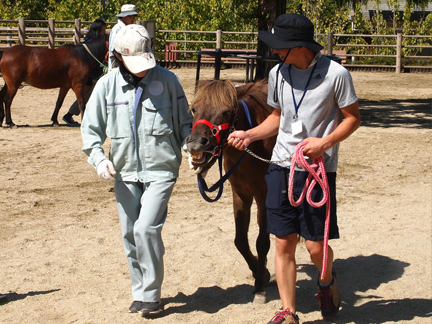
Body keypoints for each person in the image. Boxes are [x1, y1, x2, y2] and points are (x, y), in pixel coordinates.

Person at [228, 13, 361, 324]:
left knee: (316, 247)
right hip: (281, 166)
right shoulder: (278, 73)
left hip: (317, 172)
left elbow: (353, 119)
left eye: (279, 46)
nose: (275, 51)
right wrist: (250, 134)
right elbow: (277, 117)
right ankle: (288, 312)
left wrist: (325, 143)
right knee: (284, 242)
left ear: (298, 46)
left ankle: (326, 281)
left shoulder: (336, 75)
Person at [80, 24, 192, 317]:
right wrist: (98, 158)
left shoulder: (169, 81)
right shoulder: (106, 86)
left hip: (161, 170)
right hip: (125, 172)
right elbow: (90, 129)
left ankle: (152, 294)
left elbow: (185, 125)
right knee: (130, 234)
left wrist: (191, 149)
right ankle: (140, 291)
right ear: (118, 57)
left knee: (146, 229)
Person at [62, 19, 107, 126]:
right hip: (89, 73)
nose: (103, 33)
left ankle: (70, 115)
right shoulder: (90, 41)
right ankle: (70, 115)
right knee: (86, 95)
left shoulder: (93, 40)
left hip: (95, 72)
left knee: (89, 95)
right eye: (102, 30)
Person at [108, 4, 139, 72]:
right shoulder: (117, 29)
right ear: (124, 17)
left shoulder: (131, 28)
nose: (133, 20)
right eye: (131, 17)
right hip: (118, 65)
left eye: (134, 17)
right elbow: (114, 50)